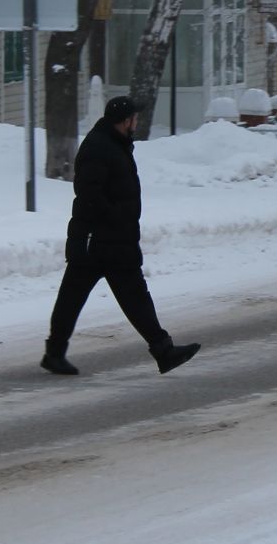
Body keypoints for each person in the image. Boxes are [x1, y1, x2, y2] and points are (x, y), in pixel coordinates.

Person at [40, 95, 200, 376]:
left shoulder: (113, 144)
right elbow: (89, 194)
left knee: (77, 297)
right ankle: (162, 350)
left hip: (104, 239)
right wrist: (113, 221)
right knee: (129, 296)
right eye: (135, 118)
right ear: (125, 121)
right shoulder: (100, 148)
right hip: (102, 240)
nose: (137, 122)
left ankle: (55, 352)